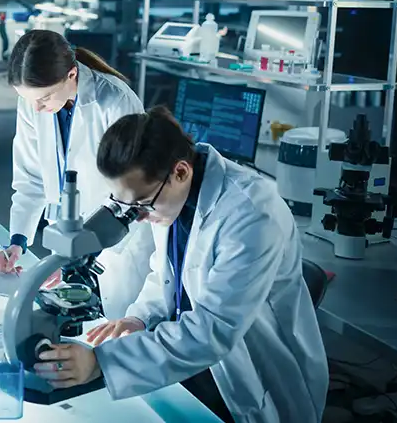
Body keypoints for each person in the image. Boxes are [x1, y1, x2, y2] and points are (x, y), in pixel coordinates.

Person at [33, 106, 328, 423]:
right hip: (194, 360)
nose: (139, 216)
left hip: (252, 375)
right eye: (126, 205)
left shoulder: (252, 213)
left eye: (142, 204)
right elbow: (167, 275)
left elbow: (212, 330)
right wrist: (140, 318)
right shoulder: (170, 196)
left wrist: (100, 363)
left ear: (181, 172)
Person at [0, 29, 152, 320]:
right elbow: (31, 176)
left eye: (43, 98)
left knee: (119, 329)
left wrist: (78, 253)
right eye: (27, 99)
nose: (36, 108)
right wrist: (18, 241)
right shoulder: (35, 101)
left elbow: (131, 194)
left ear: (71, 74)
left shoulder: (116, 101)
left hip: (118, 245)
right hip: (68, 241)